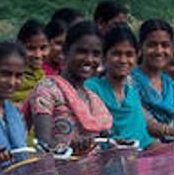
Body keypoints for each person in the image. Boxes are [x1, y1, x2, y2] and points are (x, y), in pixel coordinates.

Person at [29, 21, 114, 152]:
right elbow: (43, 145)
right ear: (66, 51)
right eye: (82, 51)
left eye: (96, 54)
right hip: (58, 171)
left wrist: (115, 144)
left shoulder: (93, 99)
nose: (89, 59)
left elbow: (101, 144)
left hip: (92, 171)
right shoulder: (47, 90)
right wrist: (69, 146)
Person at [86, 24, 174, 147]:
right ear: (104, 56)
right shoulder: (92, 89)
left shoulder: (131, 92)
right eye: (116, 54)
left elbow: (144, 138)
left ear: (137, 56)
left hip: (139, 161)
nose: (123, 60)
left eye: (129, 55)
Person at [131, 18, 174, 127]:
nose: (159, 51)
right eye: (152, 45)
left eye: (165, 45)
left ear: (173, 48)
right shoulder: (130, 81)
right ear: (141, 47)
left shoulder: (171, 86)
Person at [9, 18, 49, 105]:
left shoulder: (43, 77)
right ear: (19, 45)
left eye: (43, 48)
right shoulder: (9, 76)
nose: (38, 55)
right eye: (31, 48)